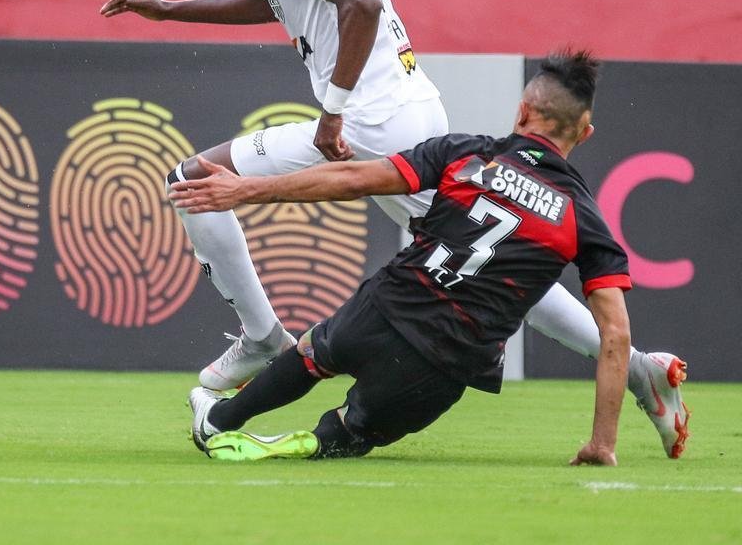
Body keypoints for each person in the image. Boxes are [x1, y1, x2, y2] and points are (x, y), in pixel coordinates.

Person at [100, 0, 685, 456]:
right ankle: (640, 368)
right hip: (405, 113)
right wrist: (169, 8)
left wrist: (333, 108)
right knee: (489, 253)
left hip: (373, 124)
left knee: (194, 179)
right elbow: (273, 1)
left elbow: (363, 2)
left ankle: (262, 339)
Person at [171, 50, 689, 463]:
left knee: (312, 355)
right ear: (584, 133)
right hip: (446, 366)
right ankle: (310, 440)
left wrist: (247, 191)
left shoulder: (461, 153)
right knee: (347, 436)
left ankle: (218, 421)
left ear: (523, 112)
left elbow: (351, 178)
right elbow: (615, 335)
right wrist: (602, 444)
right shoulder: (584, 218)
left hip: (378, 313)